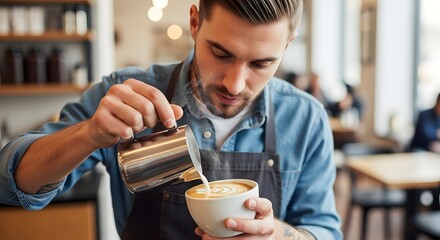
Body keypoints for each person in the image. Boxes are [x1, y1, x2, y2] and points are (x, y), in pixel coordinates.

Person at [0, 1, 342, 239]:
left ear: (288, 44)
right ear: (194, 23)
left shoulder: (305, 119)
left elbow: (324, 230)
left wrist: (279, 236)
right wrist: (89, 133)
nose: (234, 85)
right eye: (221, 53)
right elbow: (13, 187)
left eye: (261, 64)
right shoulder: (126, 94)